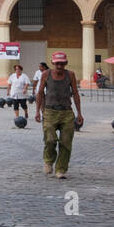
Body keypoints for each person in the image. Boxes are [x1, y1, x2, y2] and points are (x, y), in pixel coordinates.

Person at [35, 51, 83, 179]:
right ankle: (49, 161)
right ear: (53, 63)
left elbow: (76, 94)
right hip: (50, 112)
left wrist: (79, 113)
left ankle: (61, 169)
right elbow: (40, 93)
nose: (60, 66)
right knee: (50, 139)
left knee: (66, 142)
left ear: (66, 63)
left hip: (66, 112)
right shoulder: (46, 74)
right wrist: (38, 111)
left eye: (62, 64)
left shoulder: (70, 75)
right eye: (57, 64)